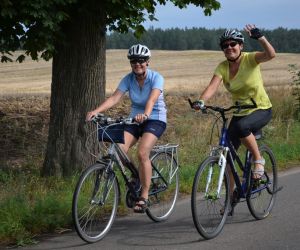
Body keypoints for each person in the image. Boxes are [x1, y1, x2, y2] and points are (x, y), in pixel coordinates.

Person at [193, 24, 276, 196]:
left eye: (233, 44)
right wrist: (201, 101)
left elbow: (271, 54)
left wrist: (260, 37)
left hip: (261, 109)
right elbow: (212, 86)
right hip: (240, 112)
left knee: (240, 128)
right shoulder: (223, 67)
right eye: (225, 46)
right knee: (227, 156)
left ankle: (258, 160)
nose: (229, 48)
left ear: (241, 46)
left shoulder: (250, 59)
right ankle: (231, 197)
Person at [86, 44, 167, 213]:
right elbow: (114, 98)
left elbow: (152, 100)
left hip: (154, 119)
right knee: (119, 150)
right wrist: (96, 111)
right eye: (133, 61)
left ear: (147, 62)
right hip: (134, 120)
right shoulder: (128, 79)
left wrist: (145, 114)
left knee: (142, 152)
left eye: (141, 60)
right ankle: (138, 177)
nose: (137, 64)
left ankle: (144, 195)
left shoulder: (156, 78)